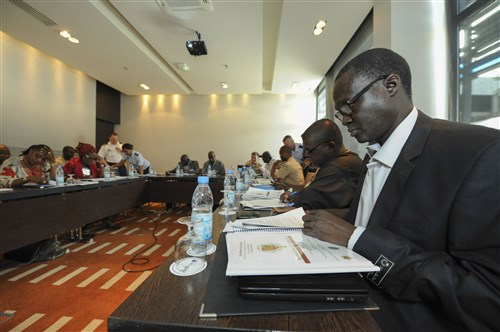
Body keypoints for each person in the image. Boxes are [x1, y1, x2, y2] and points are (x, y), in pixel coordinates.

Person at [302, 48, 500, 332]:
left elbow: (485, 294)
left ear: (390, 86)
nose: (344, 120)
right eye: (339, 112)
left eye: (349, 106)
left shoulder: (479, 153)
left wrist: (357, 237)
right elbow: (378, 222)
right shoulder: (373, 155)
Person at [277, 119, 362, 212]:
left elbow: (308, 199)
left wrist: (293, 198)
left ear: (330, 146)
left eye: (310, 151)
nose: (307, 155)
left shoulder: (338, 167)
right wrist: (293, 194)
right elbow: (312, 191)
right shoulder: (345, 159)